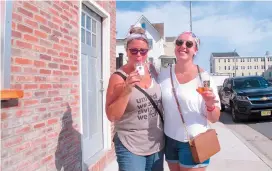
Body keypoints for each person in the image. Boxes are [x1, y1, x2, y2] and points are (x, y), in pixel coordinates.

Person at [157, 31, 221, 171]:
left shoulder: (204, 78)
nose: (183, 46)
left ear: (195, 50)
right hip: (170, 140)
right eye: (179, 42)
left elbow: (215, 118)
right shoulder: (164, 74)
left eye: (189, 44)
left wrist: (210, 104)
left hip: (195, 141)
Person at [105, 27, 165, 171]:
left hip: (156, 145)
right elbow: (112, 115)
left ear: (147, 52)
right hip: (130, 145)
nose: (139, 55)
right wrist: (127, 89)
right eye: (134, 51)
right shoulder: (118, 77)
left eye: (143, 51)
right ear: (126, 51)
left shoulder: (152, 70)